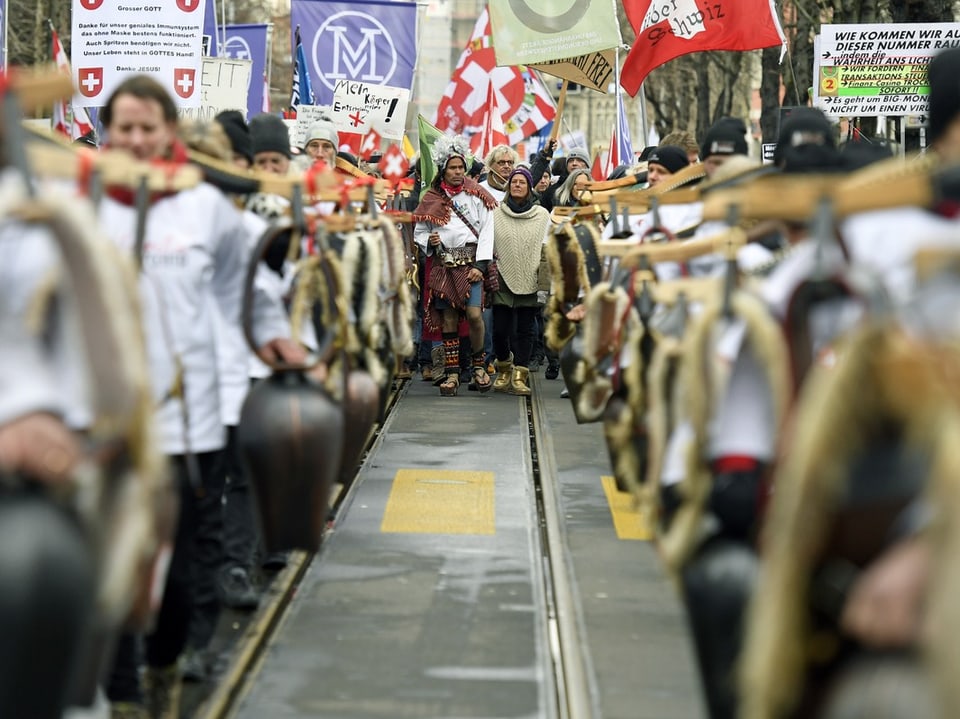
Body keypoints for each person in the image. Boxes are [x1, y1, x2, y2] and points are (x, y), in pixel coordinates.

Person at [96, 75, 288, 718]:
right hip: (103, 425)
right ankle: (122, 692)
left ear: (169, 133)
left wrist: (274, 340)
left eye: (148, 127)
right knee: (111, 564)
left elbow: (252, 290)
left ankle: (166, 662)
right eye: (124, 127)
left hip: (186, 422)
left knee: (176, 572)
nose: (136, 139)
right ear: (107, 133)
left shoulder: (206, 208)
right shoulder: (84, 203)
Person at [413, 135, 497, 396]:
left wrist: (481, 266)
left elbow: (487, 230)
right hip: (443, 264)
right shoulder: (430, 197)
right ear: (443, 169)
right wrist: (430, 238)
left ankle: (479, 367)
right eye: (453, 168)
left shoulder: (477, 194)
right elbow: (419, 230)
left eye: (461, 167)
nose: (458, 172)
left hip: (471, 264)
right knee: (448, 318)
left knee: (474, 315)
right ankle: (451, 374)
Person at [490, 167, 551, 395]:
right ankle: (504, 367)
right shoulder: (495, 213)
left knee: (526, 329)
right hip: (503, 275)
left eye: (521, 182)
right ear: (508, 186)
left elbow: (546, 247)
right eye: (513, 182)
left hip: (531, 275)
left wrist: (544, 278)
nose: (516, 185)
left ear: (529, 188)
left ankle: (520, 374)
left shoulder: (542, 215)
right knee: (500, 328)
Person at [528, 139, 590, 211]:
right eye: (571, 161)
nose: (574, 163)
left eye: (579, 160)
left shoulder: (595, 190)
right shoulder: (553, 192)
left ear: (587, 165)